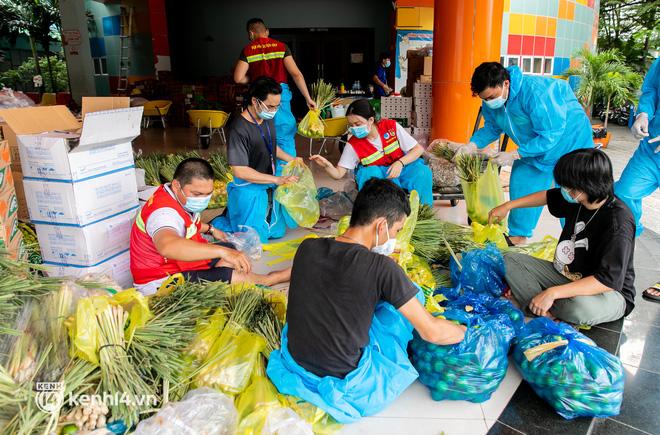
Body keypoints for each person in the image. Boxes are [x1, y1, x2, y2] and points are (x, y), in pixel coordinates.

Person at [267, 179, 465, 423]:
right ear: (381, 225)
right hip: (345, 378)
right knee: (408, 299)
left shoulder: (308, 247)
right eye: (396, 230)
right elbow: (432, 333)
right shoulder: (382, 268)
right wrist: (462, 331)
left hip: (295, 359)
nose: (395, 237)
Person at [489, 148, 636, 326]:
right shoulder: (579, 198)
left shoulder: (618, 222)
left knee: (578, 308)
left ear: (587, 185)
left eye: (568, 186)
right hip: (569, 275)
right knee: (509, 260)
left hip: (608, 291)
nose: (564, 190)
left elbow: (607, 280)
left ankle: (540, 302)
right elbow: (547, 196)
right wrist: (508, 205)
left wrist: (553, 293)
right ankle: (545, 308)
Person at [455, 62, 594, 245]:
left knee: (573, 195)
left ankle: (578, 239)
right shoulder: (492, 100)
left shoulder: (537, 92)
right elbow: (492, 127)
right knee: (521, 183)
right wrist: (471, 145)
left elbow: (550, 134)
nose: (489, 102)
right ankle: (519, 235)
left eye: (491, 97)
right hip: (533, 149)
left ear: (505, 83)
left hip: (569, 145)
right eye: (484, 99)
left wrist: (515, 154)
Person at [130, 158, 290, 296]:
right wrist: (222, 252)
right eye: (197, 194)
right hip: (162, 281)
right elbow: (167, 245)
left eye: (208, 194)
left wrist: (212, 230)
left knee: (231, 247)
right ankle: (270, 279)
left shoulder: (173, 195)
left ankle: (215, 277)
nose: (203, 199)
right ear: (177, 185)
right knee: (227, 266)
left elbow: (188, 224)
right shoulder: (163, 214)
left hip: (174, 264)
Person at [212, 77, 300, 243]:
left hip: (267, 185)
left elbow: (270, 146)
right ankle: (218, 224)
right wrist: (277, 179)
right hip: (248, 189)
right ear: (255, 101)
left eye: (277, 106)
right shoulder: (239, 128)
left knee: (277, 232)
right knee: (252, 240)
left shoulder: (267, 118)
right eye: (271, 106)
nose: (274, 110)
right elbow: (240, 170)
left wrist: (293, 160)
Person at [311, 99, 433, 205]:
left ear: (370, 120)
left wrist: (400, 163)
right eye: (351, 125)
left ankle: (423, 212)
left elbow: (418, 149)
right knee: (370, 172)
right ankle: (381, 215)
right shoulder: (353, 144)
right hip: (379, 178)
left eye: (358, 124)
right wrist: (327, 165)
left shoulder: (391, 127)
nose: (354, 128)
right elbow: (338, 174)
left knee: (422, 171)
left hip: (401, 169)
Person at [234, 18, 316, 175]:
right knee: (284, 135)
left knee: (260, 136)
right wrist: (308, 98)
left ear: (251, 33)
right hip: (280, 96)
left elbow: (238, 78)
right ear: (267, 31)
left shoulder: (248, 49)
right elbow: (296, 74)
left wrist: (253, 79)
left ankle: (264, 178)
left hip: (259, 96)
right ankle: (286, 180)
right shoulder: (281, 47)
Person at [614, 57, 660, 303]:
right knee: (623, 194)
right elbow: (652, 89)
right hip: (651, 150)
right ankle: (625, 242)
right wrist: (643, 114)